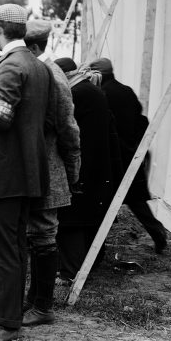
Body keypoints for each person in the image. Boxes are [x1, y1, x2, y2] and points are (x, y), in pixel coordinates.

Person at [0, 4, 52, 341]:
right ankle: (9, 315)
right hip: (24, 172)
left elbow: (0, 118)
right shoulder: (35, 64)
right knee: (15, 247)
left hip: (4, 174)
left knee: (4, 249)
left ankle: (6, 324)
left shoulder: (11, 66)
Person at [22, 20, 81, 327]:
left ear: (33, 48)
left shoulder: (52, 75)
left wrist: (72, 170)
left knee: (44, 234)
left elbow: (69, 128)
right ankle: (34, 300)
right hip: (36, 167)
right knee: (35, 234)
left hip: (49, 166)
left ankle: (43, 306)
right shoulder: (38, 71)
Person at [86, 57, 168, 253]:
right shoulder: (126, 90)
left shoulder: (102, 94)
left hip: (115, 156)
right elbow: (142, 120)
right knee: (135, 200)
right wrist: (134, 146)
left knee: (104, 200)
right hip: (132, 154)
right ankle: (158, 233)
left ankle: (95, 249)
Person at [53, 58, 116, 282]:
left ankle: (70, 271)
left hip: (82, 165)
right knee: (88, 218)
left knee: (71, 221)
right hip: (96, 163)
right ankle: (89, 264)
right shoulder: (90, 90)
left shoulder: (77, 93)